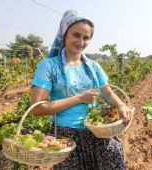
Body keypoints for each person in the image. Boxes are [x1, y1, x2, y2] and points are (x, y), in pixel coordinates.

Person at [30, 10, 131, 169]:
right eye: (76, 35)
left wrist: (121, 105)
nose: (81, 42)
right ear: (64, 34)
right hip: (67, 137)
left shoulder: (93, 67)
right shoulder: (49, 66)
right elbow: (37, 108)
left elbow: (108, 93)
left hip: (98, 132)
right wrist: (79, 98)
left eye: (86, 38)